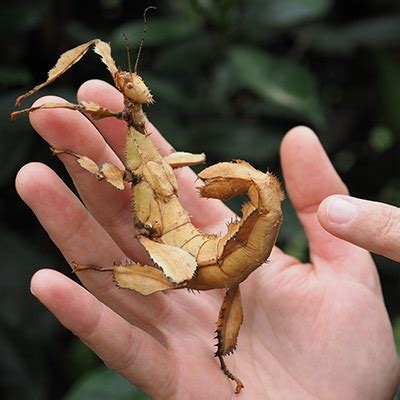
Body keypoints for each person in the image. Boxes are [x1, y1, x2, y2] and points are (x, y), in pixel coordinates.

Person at [16, 79, 399, 399]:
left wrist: (76, 156)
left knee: (162, 258)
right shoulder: (147, 150)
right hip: (202, 249)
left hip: (203, 257)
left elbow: (118, 174)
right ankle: (222, 361)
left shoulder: (144, 165)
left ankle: (221, 360)